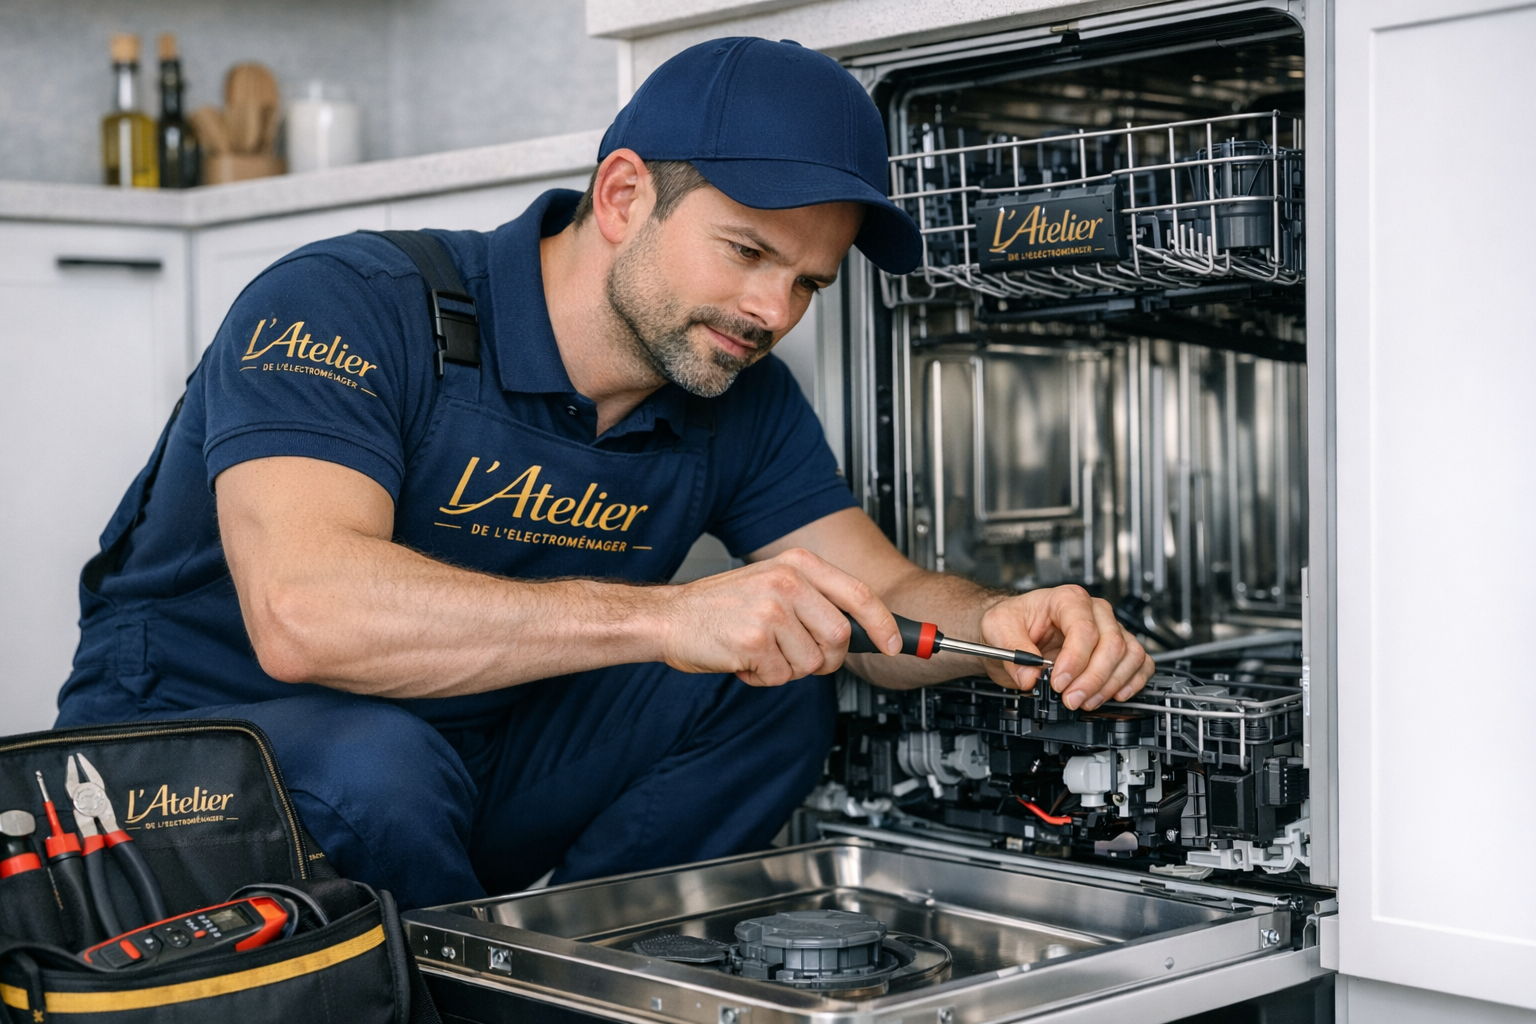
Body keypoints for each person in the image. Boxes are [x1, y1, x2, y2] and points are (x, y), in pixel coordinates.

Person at [56, 38, 1152, 909]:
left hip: (458, 766)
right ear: (624, 196)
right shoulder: (350, 301)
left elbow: (877, 601)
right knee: (378, 767)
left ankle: (565, 976)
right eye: (747, 252)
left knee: (779, 679)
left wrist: (999, 621)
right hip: (183, 768)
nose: (774, 313)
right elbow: (306, 614)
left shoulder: (733, 391)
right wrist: (665, 618)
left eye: (808, 283)